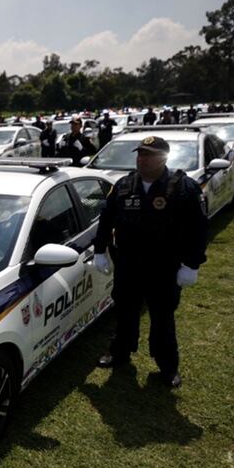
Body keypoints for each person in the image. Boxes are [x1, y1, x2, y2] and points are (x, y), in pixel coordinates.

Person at [93, 136, 207, 388]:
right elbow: (106, 218)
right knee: (125, 311)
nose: (142, 159)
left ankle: (167, 367)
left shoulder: (183, 187)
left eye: (149, 154)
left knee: (162, 317)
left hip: (164, 267)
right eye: (140, 153)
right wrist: (99, 250)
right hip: (129, 265)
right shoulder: (124, 186)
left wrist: (192, 264)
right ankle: (120, 353)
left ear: (163, 158)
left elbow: (198, 229)